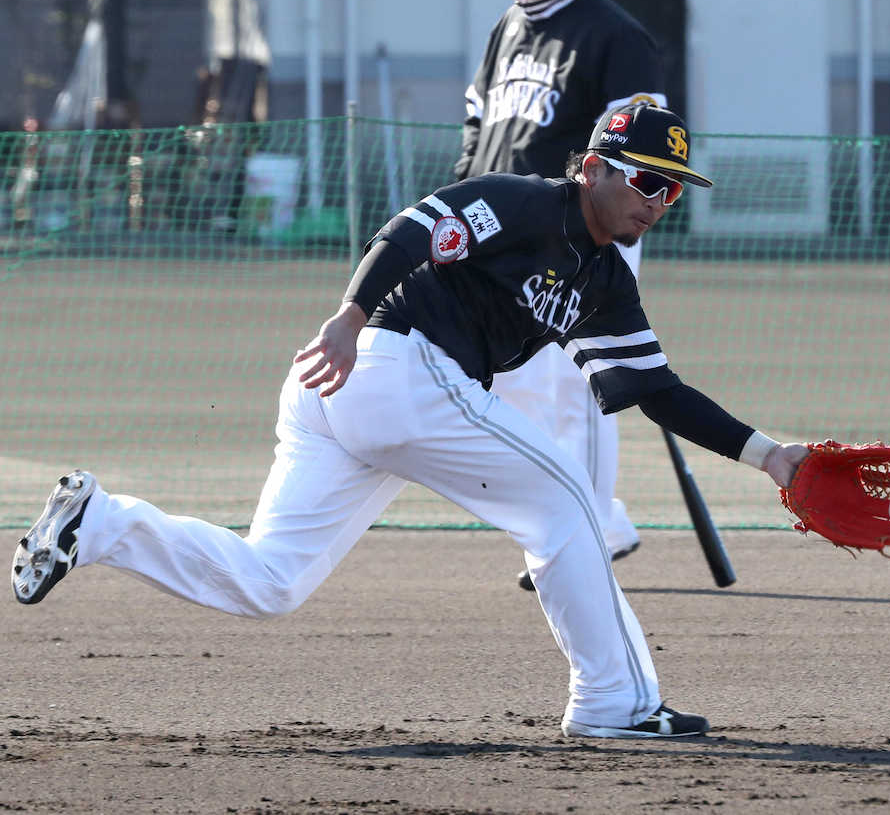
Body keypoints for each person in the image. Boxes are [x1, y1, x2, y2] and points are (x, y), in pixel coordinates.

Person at [12, 103, 808, 740]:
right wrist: (349, 316)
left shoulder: (604, 281)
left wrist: (771, 457)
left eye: (673, 190)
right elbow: (416, 228)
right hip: (389, 363)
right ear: (594, 167)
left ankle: (103, 525)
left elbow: (655, 388)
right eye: (647, 182)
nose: (660, 203)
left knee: (272, 581)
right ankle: (613, 703)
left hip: (366, 395)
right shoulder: (529, 203)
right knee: (569, 503)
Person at [456, 0, 670, 589]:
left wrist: (588, 223)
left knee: (574, 387)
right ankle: (593, 517)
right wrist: (462, 200)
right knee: (516, 383)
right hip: (504, 231)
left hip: (580, 231)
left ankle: (594, 528)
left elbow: (638, 151)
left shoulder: (616, 35)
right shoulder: (507, 27)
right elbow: (477, 125)